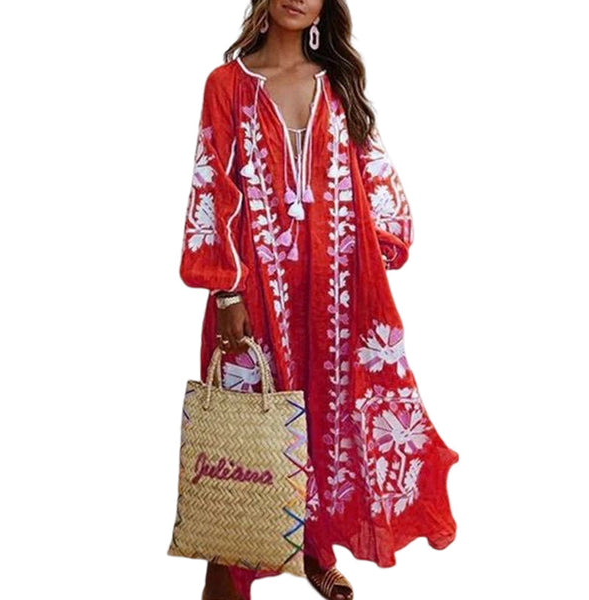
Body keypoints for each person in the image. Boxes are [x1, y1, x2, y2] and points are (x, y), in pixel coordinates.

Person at [175, 1, 459, 599]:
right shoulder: (228, 84)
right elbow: (212, 183)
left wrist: (380, 246)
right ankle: (228, 572)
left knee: (327, 416)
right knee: (248, 425)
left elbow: (372, 168)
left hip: (334, 286)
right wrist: (225, 289)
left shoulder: (338, 84)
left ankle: (313, 548)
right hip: (255, 284)